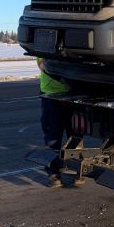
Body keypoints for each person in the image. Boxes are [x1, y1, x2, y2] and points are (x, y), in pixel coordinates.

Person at [37, 58, 70, 187]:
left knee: (75, 135)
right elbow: (43, 65)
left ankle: (76, 170)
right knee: (53, 137)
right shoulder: (46, 43)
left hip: (74, 94)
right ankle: (54, 172)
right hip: (52, 95)